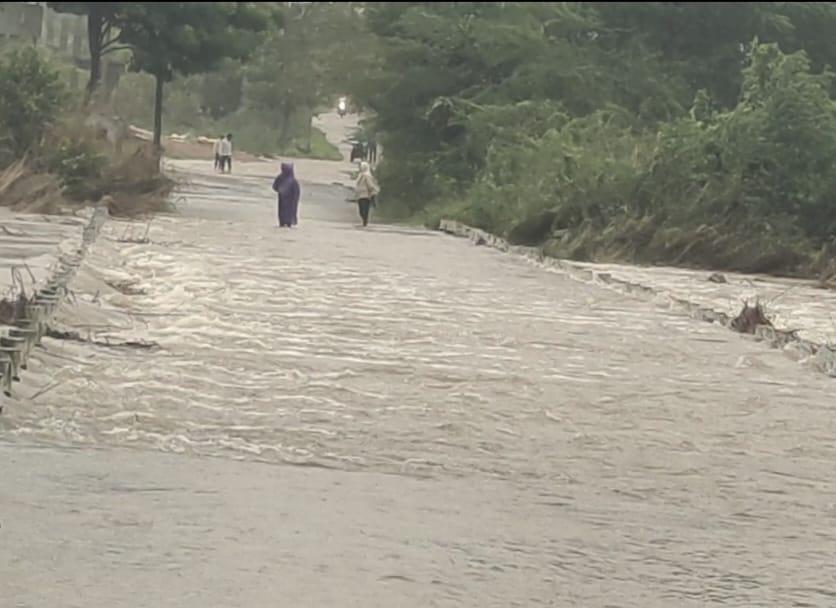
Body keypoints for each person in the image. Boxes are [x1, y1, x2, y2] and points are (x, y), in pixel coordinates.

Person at [272, 162, 301, 228]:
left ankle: (285, 223)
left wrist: (280, 191)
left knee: (284, 211)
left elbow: (274, 187)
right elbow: (275, 187)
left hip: (287, 199)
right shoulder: (291, 179)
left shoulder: (283, 178)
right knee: (287, 211)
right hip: (286, 199)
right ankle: (287, 223)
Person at [354, 161, 379, 227]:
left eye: (361, 166)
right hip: (360, 195)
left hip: (366, 195)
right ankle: (364, 220)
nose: (360, 168)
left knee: (364, 209)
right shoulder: (361, 175)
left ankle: (365, 221)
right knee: (361, 210)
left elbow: (370, 184)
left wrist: (373, 190)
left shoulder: (367, 176)